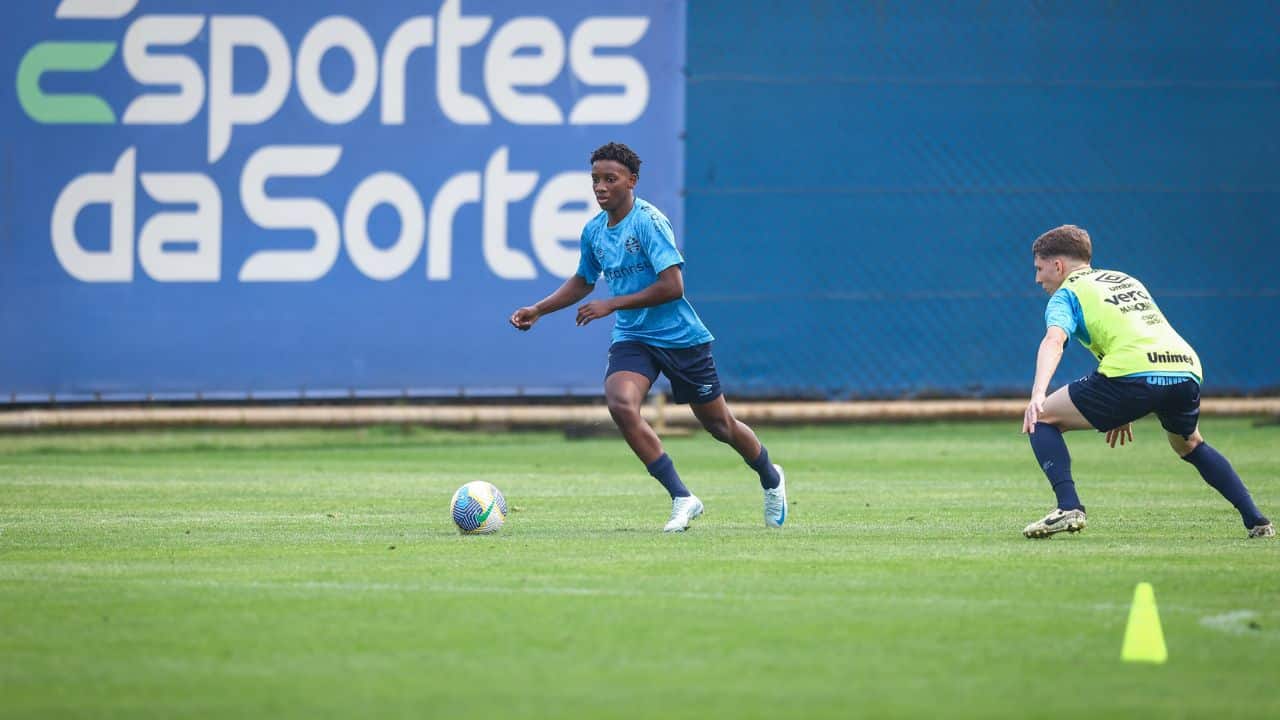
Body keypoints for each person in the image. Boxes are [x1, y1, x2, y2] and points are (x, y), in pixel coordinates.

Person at [510, 142, 787, 532]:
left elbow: (672, 286)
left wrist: (612, 304)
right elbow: (582, 281)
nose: (600, 187)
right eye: (595, 180)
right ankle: (682, 497)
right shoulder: (593, 231)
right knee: (621, 404)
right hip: (634, 337)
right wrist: (538, 310)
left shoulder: (649, 222)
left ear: (632, 181)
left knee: (720, 426)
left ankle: (770, 478)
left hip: (680, 338)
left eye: (610, 179)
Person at [1020, 224, 1272, 539]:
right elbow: (1134, 331)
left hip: (1131, 373)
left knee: (1041, 419)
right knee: (1189, 442)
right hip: (1185, 368)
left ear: (1058, 266)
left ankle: (1069, 506)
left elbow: (1054, 341)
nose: (1037, 279)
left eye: (1040, 269)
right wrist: (1121, 408)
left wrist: (1037, 394)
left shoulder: (1066, 294)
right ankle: (1257, 521)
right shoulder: (1126, 280)